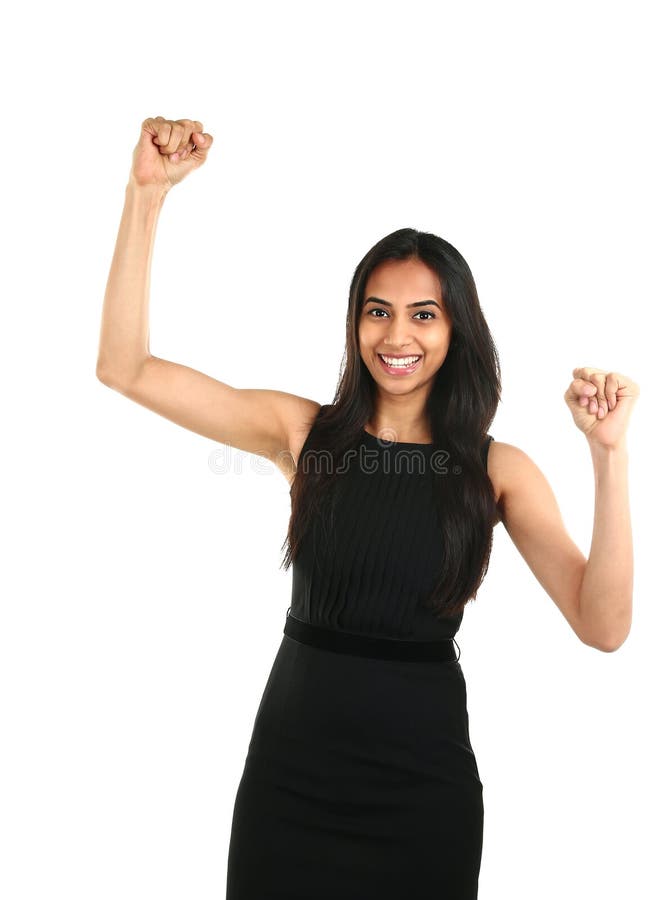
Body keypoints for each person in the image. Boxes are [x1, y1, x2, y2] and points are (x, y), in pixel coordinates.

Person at [96, 116, 640, 899]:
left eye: (423, 314)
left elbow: (603, 626)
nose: (396, 334)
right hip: (290, 778)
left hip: (421, 793)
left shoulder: (496, 471)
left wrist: (608, 455)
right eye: (377, 310)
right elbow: (126, 368)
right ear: (355, 321)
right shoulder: (301, 434)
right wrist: (145, 198)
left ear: (455, 328)